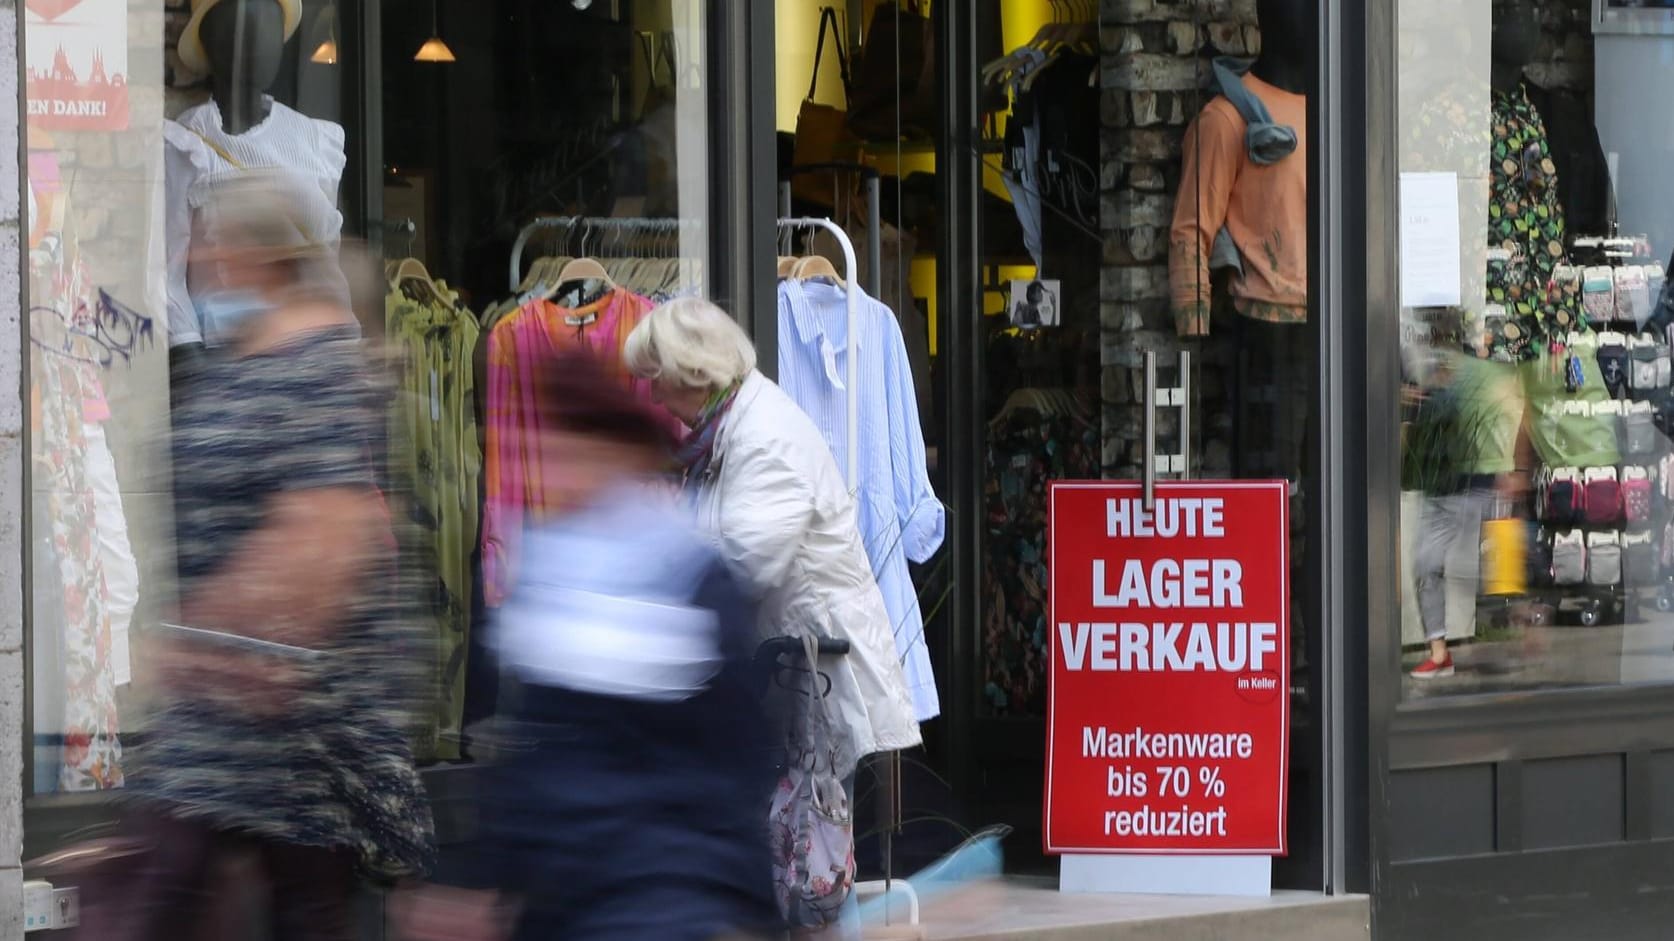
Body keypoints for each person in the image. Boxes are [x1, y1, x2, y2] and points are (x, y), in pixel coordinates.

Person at [88, 172, 435, 940]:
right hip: (223, 725)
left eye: (213, 245)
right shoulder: (240, 360)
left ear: (260, 255)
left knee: (233, 906)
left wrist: (203, 636)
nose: (200, 261)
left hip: (288, 725)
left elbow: (328, 540)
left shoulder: (317, 367)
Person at [394, 348, 778, 941]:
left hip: (663, 899)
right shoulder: (548, 573)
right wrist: (477, 881)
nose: (563, 472)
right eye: (555, 453)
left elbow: (733, 766)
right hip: (569, 899)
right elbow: (530, 755)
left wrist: (740, 907)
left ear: (628, 457)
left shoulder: (695, 579)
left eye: (580, 453)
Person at [622, 298, 921, 937]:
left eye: (657, 375)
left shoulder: (765, 438)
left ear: (696, 373)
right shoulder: (729, 430)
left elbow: (739, 567)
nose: (652, 393)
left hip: (806, 685)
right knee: (797, 861)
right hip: (783, 686)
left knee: (806, 861)